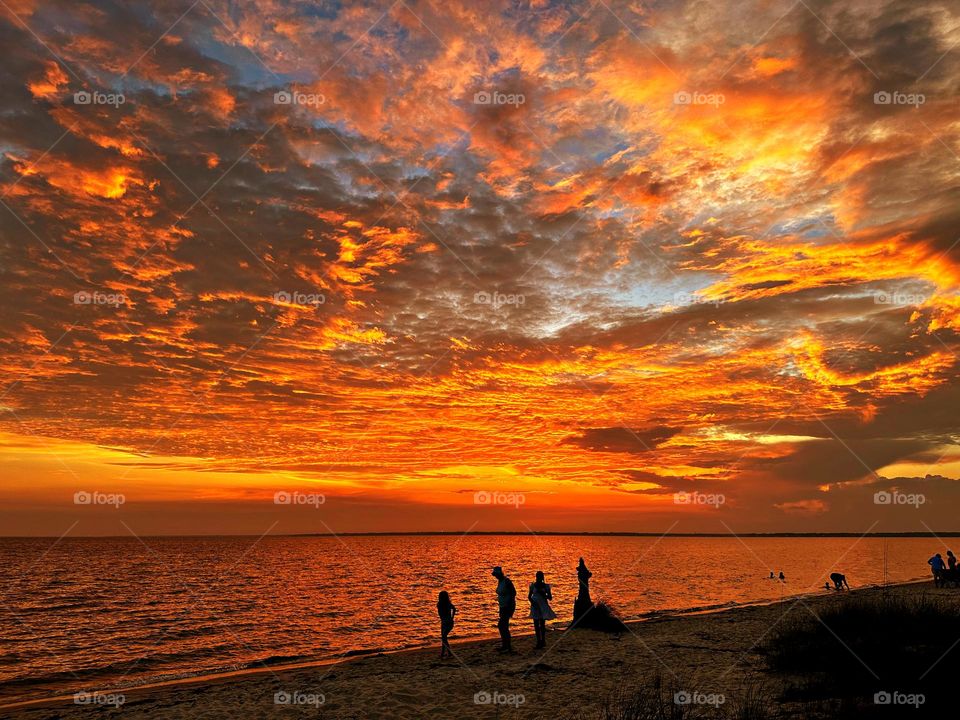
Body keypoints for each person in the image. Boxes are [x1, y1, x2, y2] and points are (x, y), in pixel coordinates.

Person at [528, 571, 557, 649]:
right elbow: (529, 596)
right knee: (536, 625)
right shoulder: (533, 586)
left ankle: (543, 641)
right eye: (538, 577)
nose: (538, 578)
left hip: (543, 606)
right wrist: (532, 602)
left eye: (540, 577)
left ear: (542, 578)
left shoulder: (546, 586)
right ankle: (538, 641)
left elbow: (550, 598)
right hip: (535, 606)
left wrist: (544, 594)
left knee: (542, 624)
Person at [492, 566, 516, 653]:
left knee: (502, 626)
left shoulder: (507, 581)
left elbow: (513, 593)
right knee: (503, 626)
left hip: (507, 606)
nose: (495, 576)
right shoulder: (500, 581)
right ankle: (505, 645)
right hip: (502, 607)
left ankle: (507, 646)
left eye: (496, 575)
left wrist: (509, 605)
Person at [437, 591, 456, 658]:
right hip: (447, 622)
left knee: (444, 637)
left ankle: (448, 653)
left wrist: (451, 617)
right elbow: (454, 609)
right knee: (444, 638)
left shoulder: (440, 604)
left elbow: (440, 613)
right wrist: (452, 617)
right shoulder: (447, 604)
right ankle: (444, 653)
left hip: (446, 622)